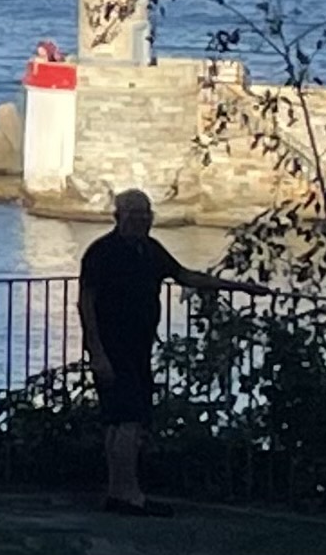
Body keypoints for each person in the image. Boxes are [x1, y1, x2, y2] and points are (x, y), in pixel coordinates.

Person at [79, 188, 269, 515]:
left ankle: (117, 491)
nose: (141, 219)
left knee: (118, 421)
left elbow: (185, 276)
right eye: (134, 214)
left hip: (138, 346)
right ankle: (128, 494)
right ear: (118, 216)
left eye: (146, 214)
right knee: (128, 419)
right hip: (113, 346)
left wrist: (238, 287)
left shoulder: (150, 250)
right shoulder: (101, 252)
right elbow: (86, 302)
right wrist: (96, 352)